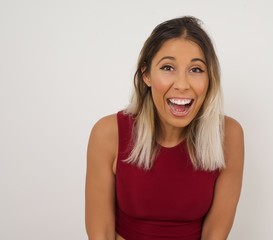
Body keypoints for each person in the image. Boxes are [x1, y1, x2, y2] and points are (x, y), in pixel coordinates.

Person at [85, 16, 244, 240]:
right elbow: (99, 233)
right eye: (168, 67)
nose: (182, 84)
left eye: (196, 70)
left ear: (210, 79)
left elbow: (215, 235)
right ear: (146, 75)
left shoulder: (229, 135)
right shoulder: (108, 133)